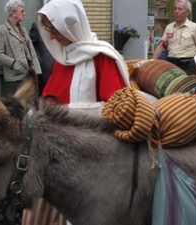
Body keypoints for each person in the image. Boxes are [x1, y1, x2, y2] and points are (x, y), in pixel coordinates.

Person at [22, 0, 130, 224]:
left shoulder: (102, 57)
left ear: (70, 25)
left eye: (53, 29)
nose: (51, 37)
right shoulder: (64, 58)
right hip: (61, 158)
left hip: (93, 162)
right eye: (48, 30)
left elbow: (119, 109)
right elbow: (52, 98)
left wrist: (65, 112)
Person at [0, 0, 41, 96]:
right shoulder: (2, 30)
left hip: (29, 76)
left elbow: (31, 50)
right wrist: (14, 64)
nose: (24, 13)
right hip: (15, 77)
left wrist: (37, 71)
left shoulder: (22, 29)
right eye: (22, 11)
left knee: (28, 107)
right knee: (15, 107)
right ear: (13, 13)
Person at [152, 0, 196, 77]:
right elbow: (161, 45)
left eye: (180, 9)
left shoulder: (194, 27)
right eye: (175, 9)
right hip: (171, 64)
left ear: (187, 12)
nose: (176, 11)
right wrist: (151, 62)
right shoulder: (169, 27)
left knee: (187, 88)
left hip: (187, 66)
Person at [29, 21, 54, 95]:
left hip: (57, 65)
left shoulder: (59, 24)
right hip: (44, 68)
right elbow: (29, 45)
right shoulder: (37, 26)